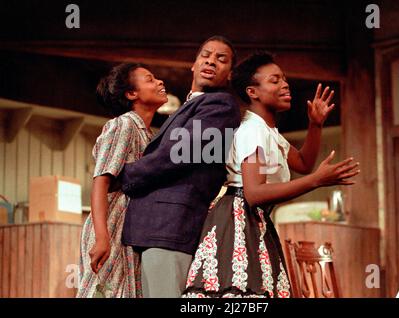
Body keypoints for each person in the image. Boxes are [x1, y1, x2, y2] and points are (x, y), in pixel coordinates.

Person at [182, 52, 360, 298]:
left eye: (284, 79)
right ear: (252, 92)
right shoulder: (253, 130)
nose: (285, 84)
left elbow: (304, 162)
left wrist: (315, 125)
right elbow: (254, 193)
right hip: (237, 220)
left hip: (253, 220)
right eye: (274, 80)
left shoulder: (268, 131)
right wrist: (317, 181)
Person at [119, 36, 242, 297]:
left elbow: (179, 153)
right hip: (153, 227)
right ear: (193, 65)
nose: (211, 60)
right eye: (206, 55)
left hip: (172, 225)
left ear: (229, 74)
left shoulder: (220, 105)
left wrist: (126, 174)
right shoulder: (188, 106)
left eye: (221, 59)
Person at [77, 63, 168, 298]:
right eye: (150, 79)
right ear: (131, 94)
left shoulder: (149, 135)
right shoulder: (123, 124)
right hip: (110, 226)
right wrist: (102, 237)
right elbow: (101, 182)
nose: (159, 82)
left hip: (131, 231)